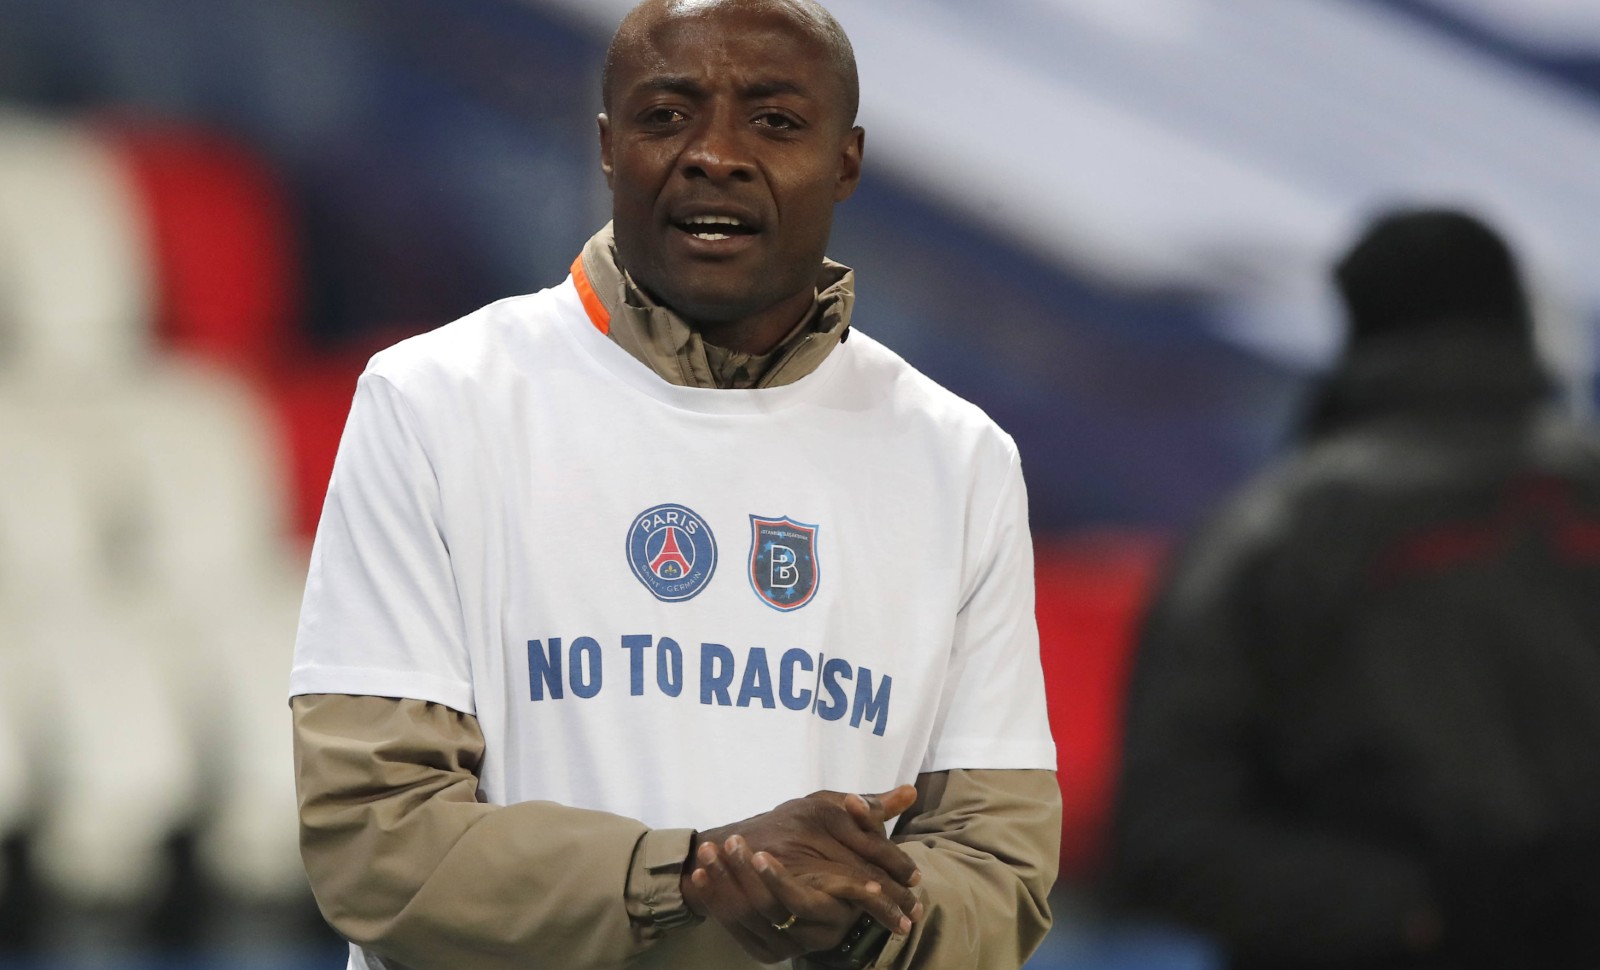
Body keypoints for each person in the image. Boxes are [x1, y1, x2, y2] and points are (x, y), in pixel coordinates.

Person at [287, 2, 1061, 968]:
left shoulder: (960, 459)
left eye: (775, 121)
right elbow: (375, 843)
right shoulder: (434, 402)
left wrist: (861, 920)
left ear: (848, 162)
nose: (715, 155)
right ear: (610, 149)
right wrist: (690, 876)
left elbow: (999, 865)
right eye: (666, 115)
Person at [1108, 207, 1600, 970]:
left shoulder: (1269, 535)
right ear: (1516, 319)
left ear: (1362, 326)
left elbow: (1168, 839)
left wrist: (1422, 913)